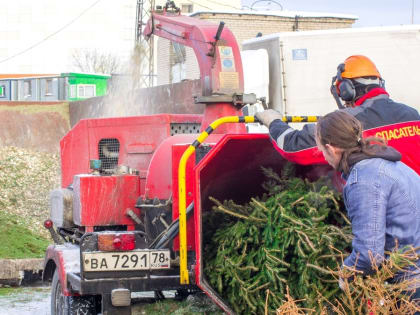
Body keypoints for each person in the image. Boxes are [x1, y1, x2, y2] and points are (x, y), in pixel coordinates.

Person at [315, 110, 420, 308]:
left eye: (322, 150)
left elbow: (370, 254)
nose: (323, 156)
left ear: (331, 148)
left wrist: (346, 274)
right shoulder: (389, 163)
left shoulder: (363, 180)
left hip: (412, 285)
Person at [256, 55, 420, 175]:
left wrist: (274, 121)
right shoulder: (413, 115)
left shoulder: (351, 122)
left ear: (348, 90)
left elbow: (294, 147)